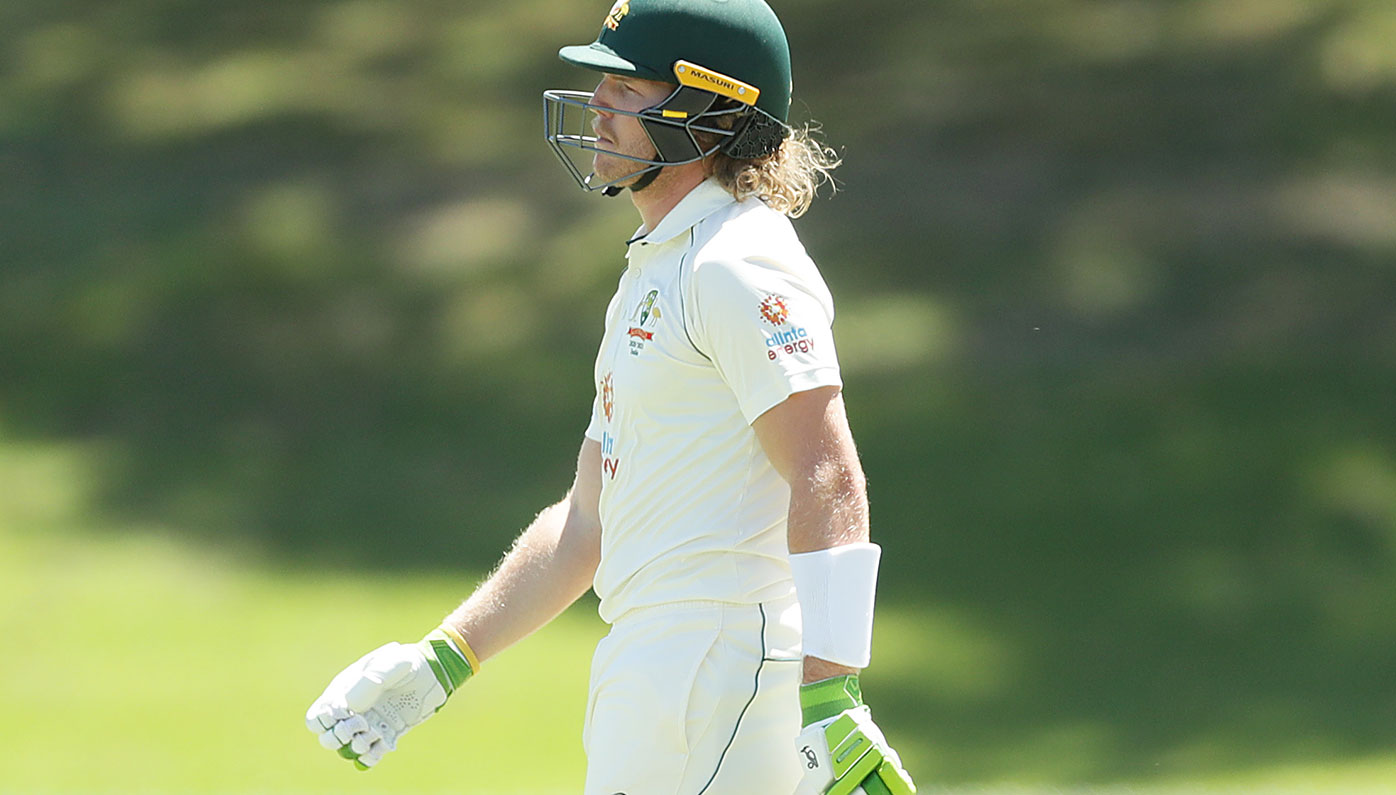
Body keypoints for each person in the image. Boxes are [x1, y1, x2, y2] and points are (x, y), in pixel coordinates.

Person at [305, 1, 916, 793]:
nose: (598, 101)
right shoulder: (659, 266)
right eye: (603, 80)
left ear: (709, 110)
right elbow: (590, 516)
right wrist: (445, 657)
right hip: (653, 667)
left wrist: (832, 697)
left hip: (722, 667)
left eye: (630, 87)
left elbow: (826, 471)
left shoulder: (736, 261)